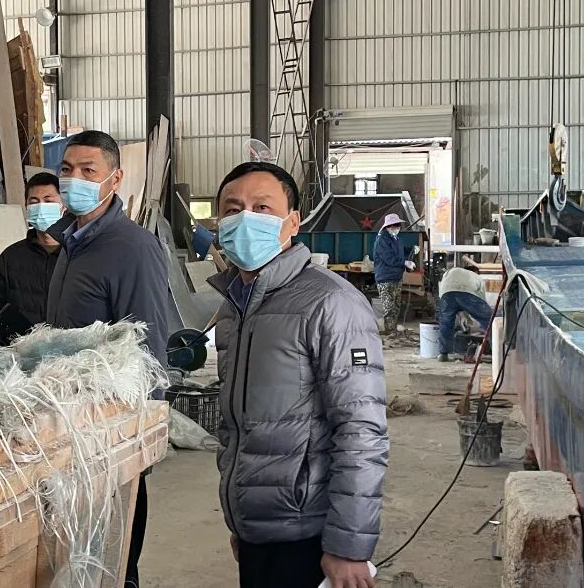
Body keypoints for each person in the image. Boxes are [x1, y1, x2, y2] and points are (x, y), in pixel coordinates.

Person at [208, 161, 388, 588]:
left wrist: (348, 545)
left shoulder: (330, 302)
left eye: (262, 208)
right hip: (258, 527)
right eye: (232, 209)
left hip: (308, 531)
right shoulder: (234, 307)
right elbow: (239, 425)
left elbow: (361, 429)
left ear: (292, 222)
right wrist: (243, 520)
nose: (245, 218)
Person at [45, 130, 170, 588]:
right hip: (71, 427)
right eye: (67, 170)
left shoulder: (132, 248)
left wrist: (138, 443)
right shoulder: (72, 242)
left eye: (88, 170)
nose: (74, 179)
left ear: (114, 179)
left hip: (111, 432)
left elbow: (148, 348)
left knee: (114, 562)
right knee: (77, 555)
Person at [0, 172, 65, 346]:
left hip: (71, 355)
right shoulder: (10, 258)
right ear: (27, 206)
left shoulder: (78, 256)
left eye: (48, 201)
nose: (41, 207)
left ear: (63, 206)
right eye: (34, 202)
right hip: (22, 354)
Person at [437, 266, 494, 362]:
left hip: (447, 294)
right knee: (489, 321)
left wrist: (465, 317)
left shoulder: (452, 271)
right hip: (468, 293)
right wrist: (472, 317)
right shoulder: (477, 277)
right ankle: (497, 351)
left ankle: (443, 354)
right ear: (476, 272)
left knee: (446, 323)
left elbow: (446, 292)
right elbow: (480, 300)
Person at [372, 213, 414, 338]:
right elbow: (389, 258)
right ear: (388, 227)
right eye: (395, 226)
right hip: (385, 278)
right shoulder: (381, 240)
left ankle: (393, 329)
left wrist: (412, 249)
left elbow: (400, 252)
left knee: (396, 305)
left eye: (398, 226)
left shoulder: (397, 239)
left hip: (396, 277)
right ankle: (390, 331)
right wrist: (404, 262)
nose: (397, 228)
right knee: (389, 306)